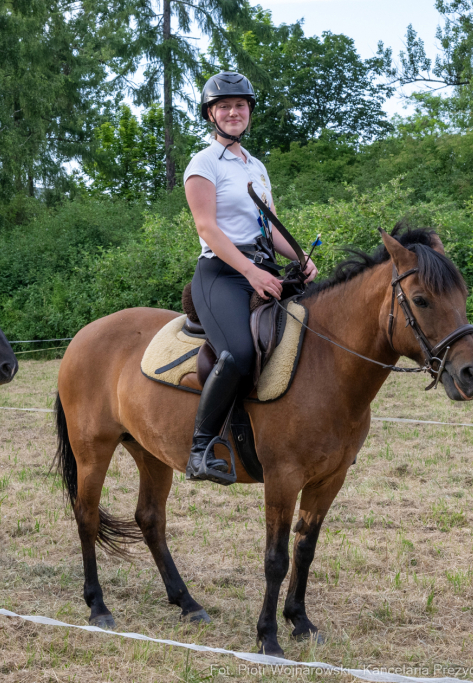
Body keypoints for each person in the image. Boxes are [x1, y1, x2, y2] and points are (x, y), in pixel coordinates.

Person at [183, 72, 319, 484]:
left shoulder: (256, 166)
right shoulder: (202, 164)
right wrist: (250, 272)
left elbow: (269, 226)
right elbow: (207, 228)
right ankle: (200, 448)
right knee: (239, 354)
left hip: (262, 267)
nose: (233, 112)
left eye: (240, 105)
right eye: (224, 106)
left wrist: (299, 256)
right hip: (223, 273)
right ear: (211, 114)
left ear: (249, 112)